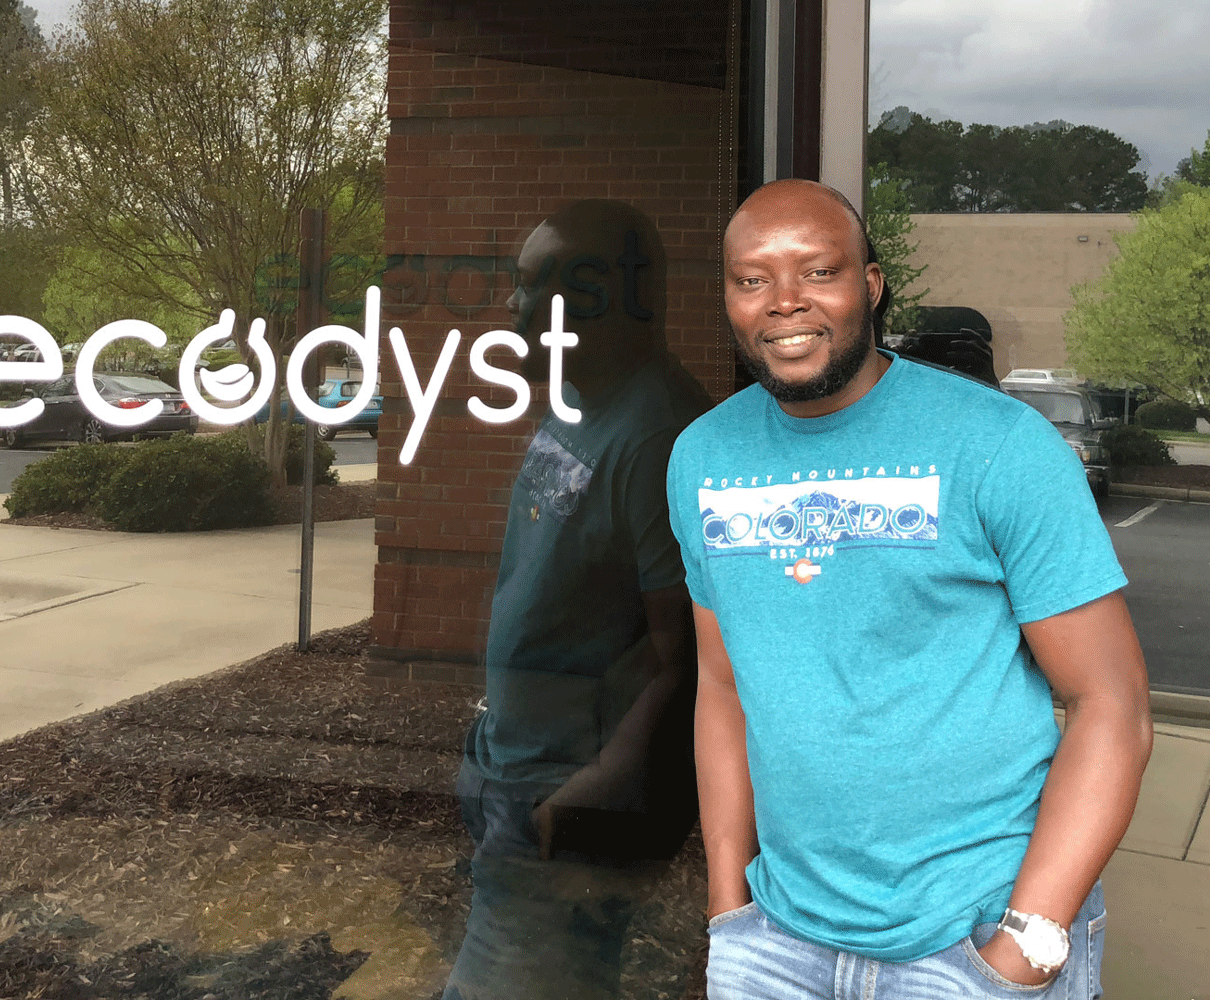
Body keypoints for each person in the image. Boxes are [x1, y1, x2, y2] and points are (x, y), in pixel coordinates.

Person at [664, 179, 1153, 999]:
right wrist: (729, 910)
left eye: (819, 272)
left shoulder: (998, 445)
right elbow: (722, 685)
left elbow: (1113, 704)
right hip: (777, 939)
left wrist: (1026, 945)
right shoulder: (703, 457)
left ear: (871, 285)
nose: (784, 301)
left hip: (974, 934)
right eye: (752, 279)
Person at [442, 199, 712, 1000]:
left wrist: (597, 787)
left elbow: (687, 649)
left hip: (563, 798)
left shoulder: (660, 436)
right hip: (518, 766)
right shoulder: (581, 401)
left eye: (531, 284)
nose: (511, 304)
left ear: (597, 296)